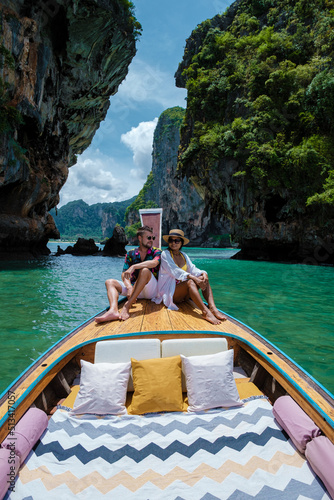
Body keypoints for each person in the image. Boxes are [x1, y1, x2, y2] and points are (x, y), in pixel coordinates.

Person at [152, 229, 226, 325]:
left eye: (176, 241)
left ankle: (213, 308)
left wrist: (204, 274)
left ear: (181, 243)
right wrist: (194, 278)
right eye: (171, 240)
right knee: (190, 282)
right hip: (169, 292)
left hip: (182, 292)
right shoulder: (165, 254)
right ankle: (205, 312)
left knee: (203, 279)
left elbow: (193, 269)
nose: (173, 243)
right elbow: (175, 271)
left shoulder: (184, 255)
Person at [95, 225, 161, 323]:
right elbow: (124, 274)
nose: (151, 240)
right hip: (134, 289)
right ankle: (113, 310)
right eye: (148, 238)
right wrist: (129, 287)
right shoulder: (130, 254)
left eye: (153, 238)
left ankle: (127, 306)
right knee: (110, 282)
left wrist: (134, 266)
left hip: (151, 290)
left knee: (145, 271)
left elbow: (154, 263)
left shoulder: (156, 252)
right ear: (140, 238)